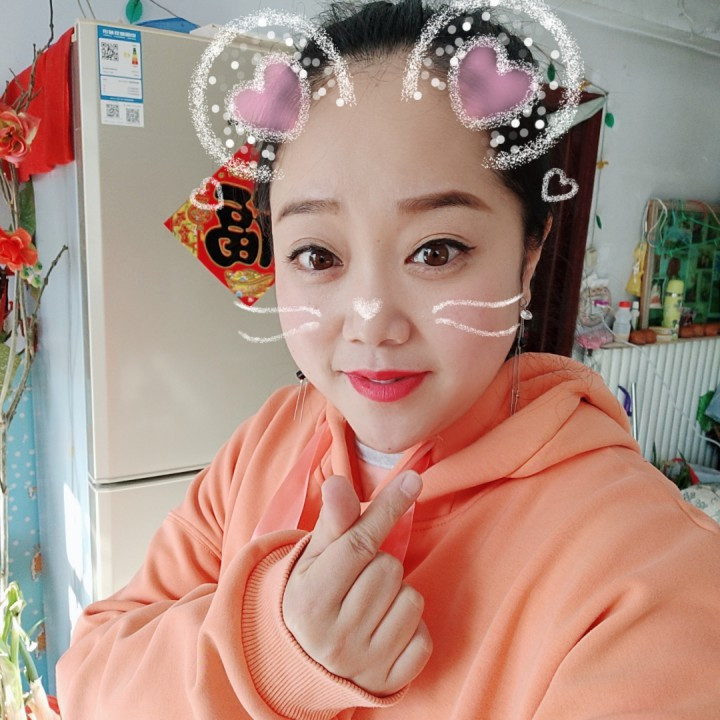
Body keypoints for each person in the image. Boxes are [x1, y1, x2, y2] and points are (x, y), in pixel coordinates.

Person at [56, 1, 720, 718]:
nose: (371, 320)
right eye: (317, 255)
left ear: (528, 258)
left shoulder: (651, 582)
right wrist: (268, 652)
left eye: (436, 250)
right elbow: (89, 679)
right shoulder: (271, 440)